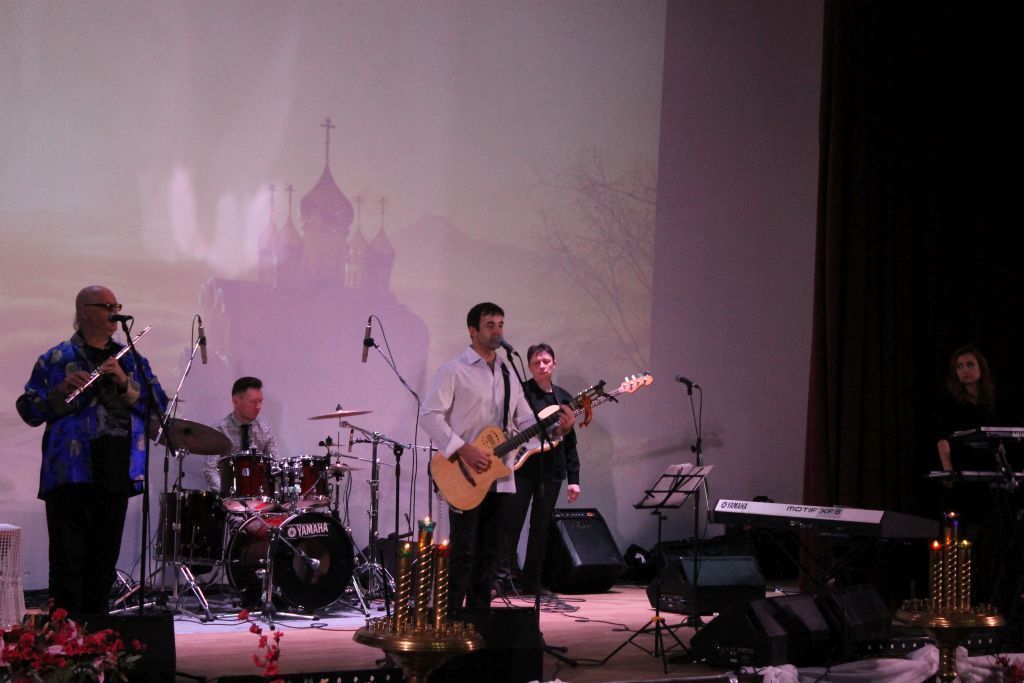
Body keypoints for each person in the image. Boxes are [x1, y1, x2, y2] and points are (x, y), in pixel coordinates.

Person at [16, 285, 168, 615]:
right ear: (85, 312)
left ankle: (98, 634)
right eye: (107, 306)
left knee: (103, 563)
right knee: (67, 562)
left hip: (116, 472)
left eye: (117, 306)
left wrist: (125, 383)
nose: (115, 312)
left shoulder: (131, 359)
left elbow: (159, 406)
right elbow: (28, 410)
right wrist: (58, 393)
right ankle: (66, 636)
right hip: (69, 474)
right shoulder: (56, 358)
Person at [420, 302, 574, 609]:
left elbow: (526, 422)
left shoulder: (508, 372)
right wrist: (463, 448)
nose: (497, 331)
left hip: (500, 475)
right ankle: (452, 621)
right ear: (472, 331)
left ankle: (480, 621)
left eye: (501, 324)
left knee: (490, 554)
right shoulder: (453, 370)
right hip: (462, 472)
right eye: (490, 325)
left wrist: (559, 430)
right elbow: (429, 416)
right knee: (463, 552)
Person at [503, 343, 581, 596]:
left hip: (551, 472)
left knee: (540, 528)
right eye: (537, 363)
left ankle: (532, 583)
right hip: (522, 468)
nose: (542, 366)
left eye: (546, 361)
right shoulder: (521, 393)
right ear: (529, 366)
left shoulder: (563, 398)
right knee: (511, 524)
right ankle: (503, 580)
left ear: (554, 364)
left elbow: (570, 442)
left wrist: (574, 479)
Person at [203, 376, 280, 493]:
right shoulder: (219, 430)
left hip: (257, 495)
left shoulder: (264, 428)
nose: (259, 407)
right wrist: (226, 494)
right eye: (253, 402)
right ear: (236, 402)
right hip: (226, 495)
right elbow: (210, 469)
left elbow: (275, 464)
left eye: (260, 401)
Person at [934, 344, 997, 473]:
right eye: (960, 366)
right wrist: (948, 469)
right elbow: (942, 437)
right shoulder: (949, 402)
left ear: (981, 367)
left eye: (970, 364)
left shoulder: (991, 400)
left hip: (991, 466)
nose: (965, 370)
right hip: (962, 466)